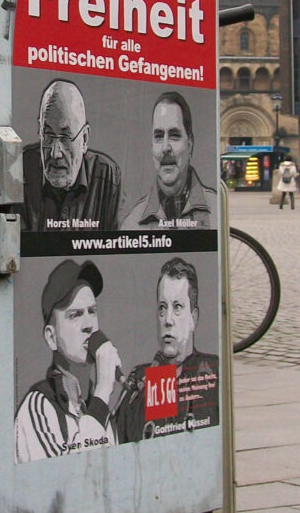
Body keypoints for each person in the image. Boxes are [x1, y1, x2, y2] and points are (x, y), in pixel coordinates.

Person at [14, 259, 121, 461]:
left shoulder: (99, 408)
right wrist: (102, 395)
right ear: (51, 337)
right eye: (75, 315)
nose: (89, 325)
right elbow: (69, 474)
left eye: (92, 311)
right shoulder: (39, 407)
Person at [116, 257, 219, 442]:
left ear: (193, 318)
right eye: (162, 308)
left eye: (177, 307)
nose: (168, 320)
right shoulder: (141, 382)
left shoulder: (214, 372)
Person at [20, 79, 121, 231]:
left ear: (84, 139)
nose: (55, 153)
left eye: (65, 137)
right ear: (39, 131)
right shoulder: (21, 171)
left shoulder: (107, 178)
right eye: (48, 135)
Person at [121, 91, 215, 229]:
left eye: (174, 135)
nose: (165, 147)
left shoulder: (216, 212)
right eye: (158, 136)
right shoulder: (132, 224)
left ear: (190, 144)